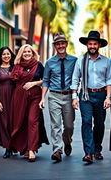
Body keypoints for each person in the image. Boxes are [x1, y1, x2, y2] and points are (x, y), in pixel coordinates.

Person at [71, 30, 111, 164]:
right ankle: (88, 152)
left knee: (99, 124)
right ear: (87, 45)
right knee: (87, 122)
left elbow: (109, 80)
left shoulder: (106, 61)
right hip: (85, 95)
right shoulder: (80, 60)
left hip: (101, 94)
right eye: (90, 44)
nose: (92, 46)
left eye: (95, 44)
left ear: (99, 45)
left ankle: (97, 149)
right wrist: (74, 97)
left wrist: (108, 97)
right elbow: (75, 79)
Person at [39, 33, 77, 162]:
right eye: (57, 44)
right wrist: (43, 98)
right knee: (55, 125)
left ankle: (67, 141)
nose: (60, 46)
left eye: (62, 43)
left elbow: (78, 78)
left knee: (69, 126)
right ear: (55, 46)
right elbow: (45, 81)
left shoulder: (74, 60)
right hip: (54, 95)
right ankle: (57, 150)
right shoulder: (50, 62)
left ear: (66, 44)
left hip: (68, 96)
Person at [10, 44, 49, 162]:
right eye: (24, 52)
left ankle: (32, 149)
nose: (27, 54)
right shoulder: (17, 66)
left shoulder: (38, 65)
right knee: (21, 122)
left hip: (35, 97)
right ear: (21, 54)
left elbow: (46, 80)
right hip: (19, 98)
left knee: (33, 121)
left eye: (29, 52)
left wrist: (34, 83)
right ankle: (25, 148)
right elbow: (13, 82)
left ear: (33, 53)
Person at [0, 47, 16, 159]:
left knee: (14, 122)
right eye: (3, 54)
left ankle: (14, 145)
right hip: (2, 97)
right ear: (0, 56)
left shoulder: (15, 67)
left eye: (8, 54)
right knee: (4, 123)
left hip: (14, 97)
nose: (6, 56)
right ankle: (7, 147)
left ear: (11, 55)